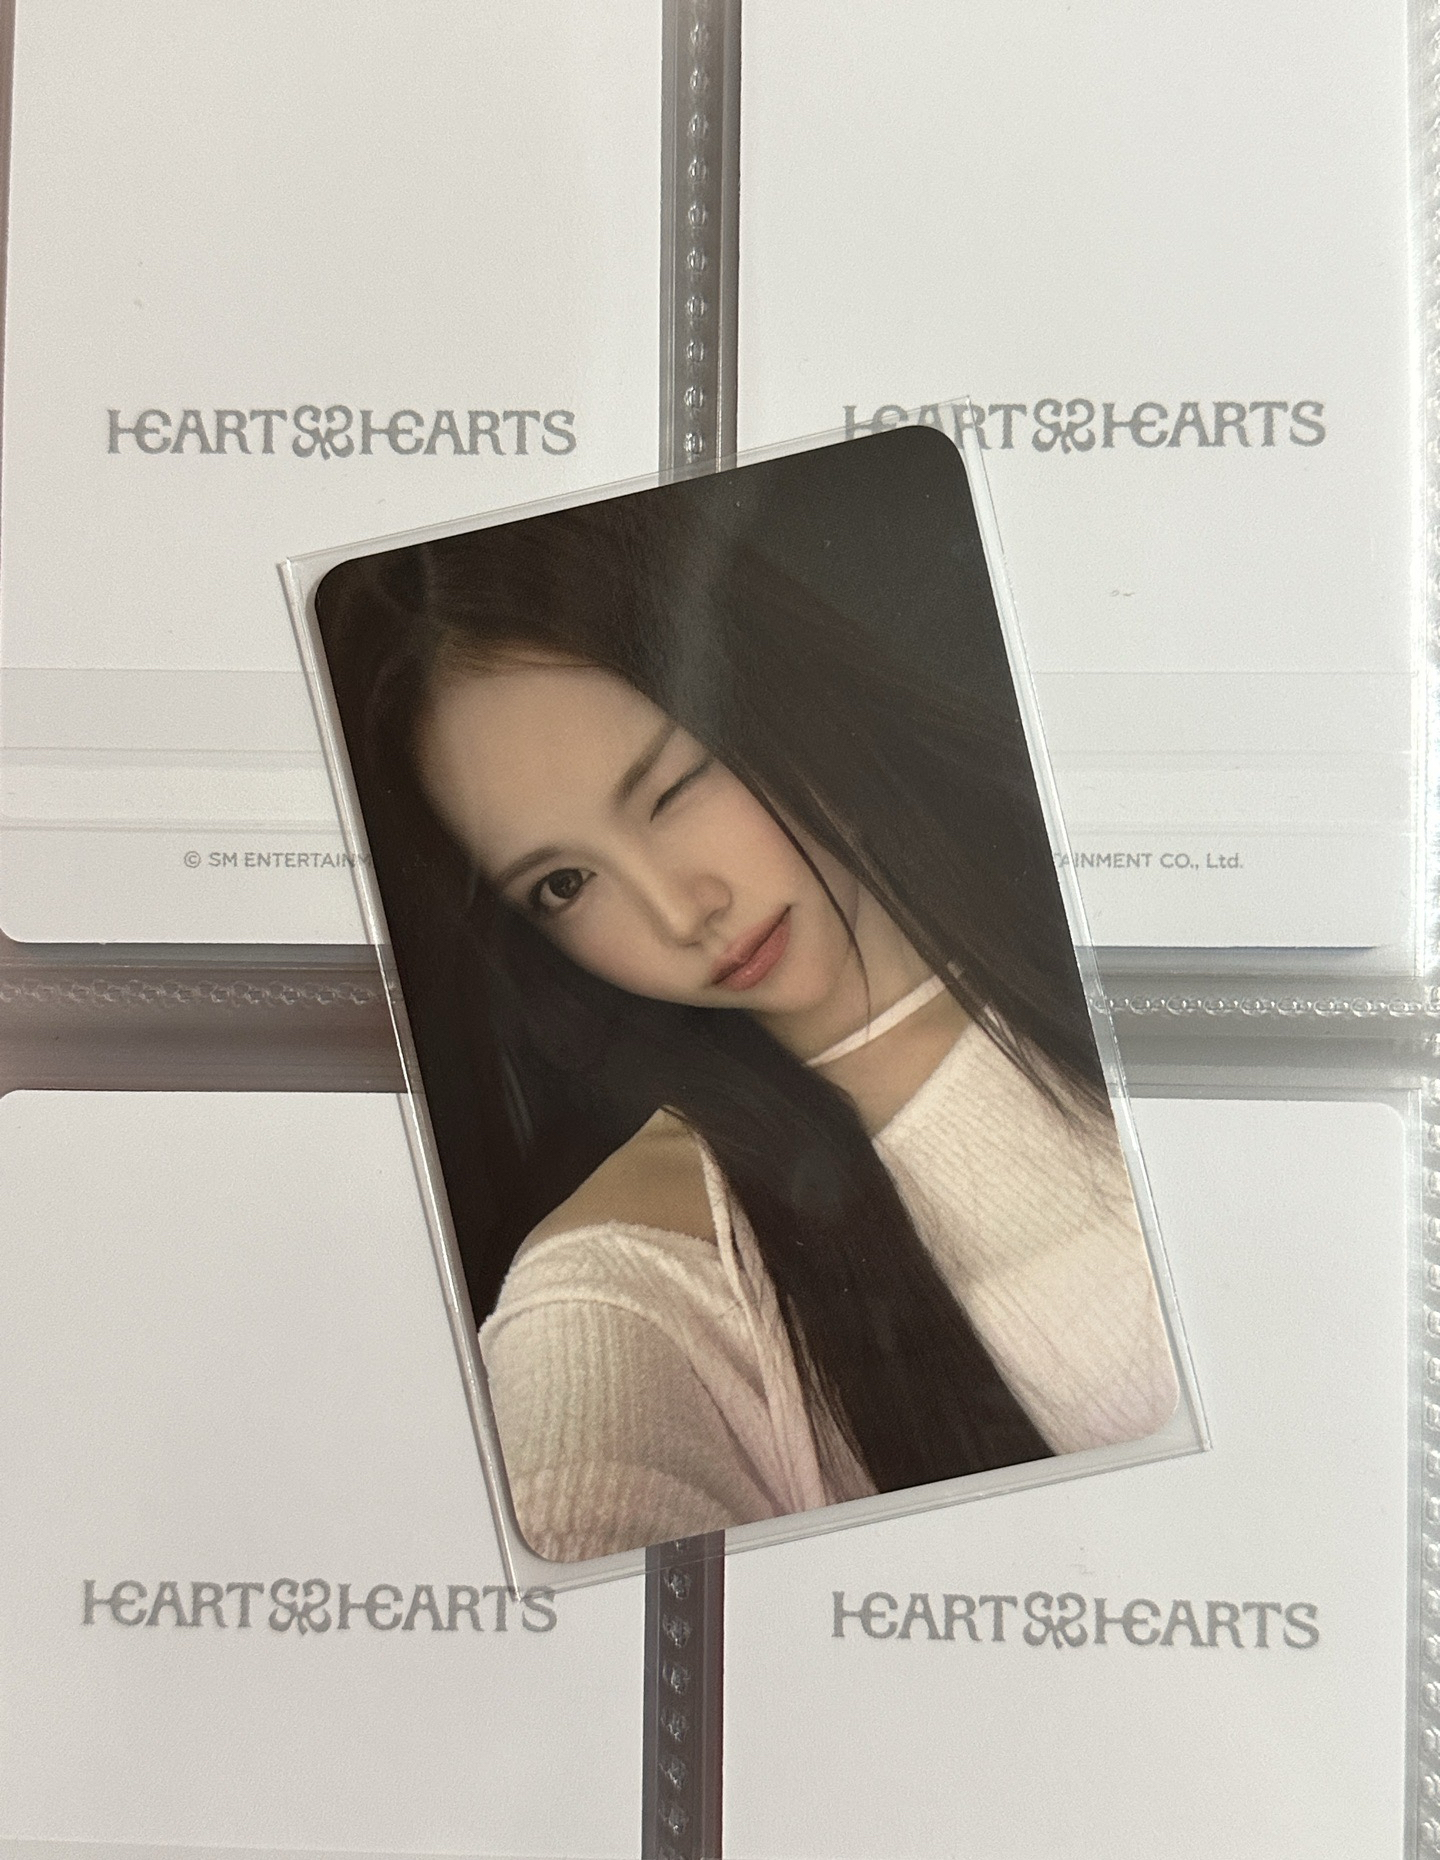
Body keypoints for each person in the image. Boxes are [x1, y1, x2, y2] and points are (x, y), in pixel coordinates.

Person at [314, 432, 1178, 1563]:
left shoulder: (1139, 899)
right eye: (564, 883)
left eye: (672, 787)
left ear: (773, 693)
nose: (682, 912)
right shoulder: (636, 1273)